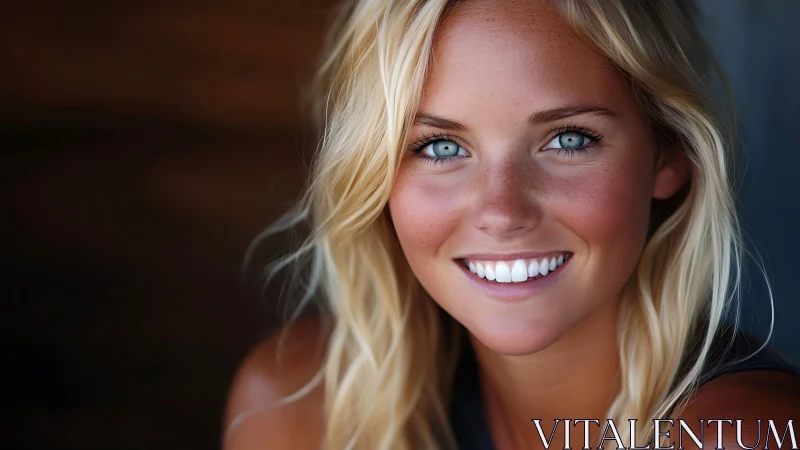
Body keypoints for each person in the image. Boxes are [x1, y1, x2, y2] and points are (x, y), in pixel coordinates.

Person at [223, 1, 800, 449]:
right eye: (441, 146)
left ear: (668, 153)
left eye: (568, 139)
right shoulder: (294, 411)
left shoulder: (745, 435)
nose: (501, 212)